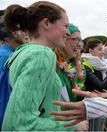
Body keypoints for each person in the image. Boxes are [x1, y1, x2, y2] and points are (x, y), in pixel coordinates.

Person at [2, 1, 75, 131]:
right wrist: (72, 127)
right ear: (46, 23)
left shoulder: (22, 52)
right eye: (65, 26)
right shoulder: (41, 54)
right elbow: (21, 124)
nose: (68, 33)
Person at [0, 15, 29, 130]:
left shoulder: (12, 53)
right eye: (22, 28)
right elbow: (4, 95)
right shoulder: (6, 56)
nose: (27, 31)